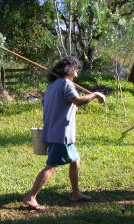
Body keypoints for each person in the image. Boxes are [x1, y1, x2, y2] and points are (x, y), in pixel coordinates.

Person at [23, 56, 106, 211]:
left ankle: (75, 193)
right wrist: (95, 94)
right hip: (61, 133)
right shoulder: (66, 84)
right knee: (51, 167)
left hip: (56, 131)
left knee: (75, 161)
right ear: (70, 69)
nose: (77, 73)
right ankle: (31, 197)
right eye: (76, 69)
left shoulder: (52, 85)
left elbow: (61, 104)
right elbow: (78, 101)